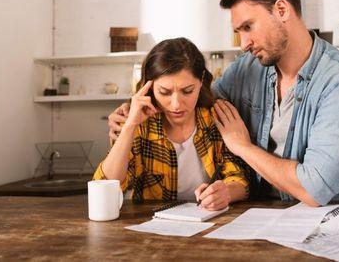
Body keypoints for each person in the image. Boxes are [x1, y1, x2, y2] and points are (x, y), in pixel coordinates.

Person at [108, 0, 339, 207]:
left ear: (281, 10)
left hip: (315, 224)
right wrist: (130, 114)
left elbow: (315, 189)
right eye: (238, 32)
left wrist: (242, 146)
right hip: (250, 218)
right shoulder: (248, 67)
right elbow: (197, 98)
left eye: (248, 27)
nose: (243, 43)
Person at [93, 37, 251, 211]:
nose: (176, 104)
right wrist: (130, 126)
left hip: (208, 225)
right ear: (149, 86)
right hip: (151, 231)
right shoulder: (139, 125)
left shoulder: (216, 119)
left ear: (201, 80)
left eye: (187, 91)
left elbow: (240, 180)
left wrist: (226, 192)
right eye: (165, 92)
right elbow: (104, 188)